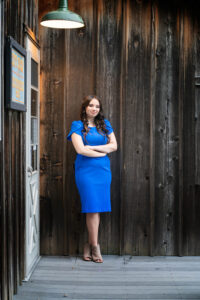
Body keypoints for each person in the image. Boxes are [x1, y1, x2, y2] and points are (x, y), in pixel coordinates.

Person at [67, 95, 117, 263]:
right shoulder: (77, 125)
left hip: (102, 170)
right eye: (91, 105)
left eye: (97, 106)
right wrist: (103, 152)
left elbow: (114, 146)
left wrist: (94, 147)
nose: (94, 108)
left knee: (96, 208)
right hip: (85, 171)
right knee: (92, 206)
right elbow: (80, 150)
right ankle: (95, 247)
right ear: (85, 107)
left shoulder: (105, 125)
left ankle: (90, 245)